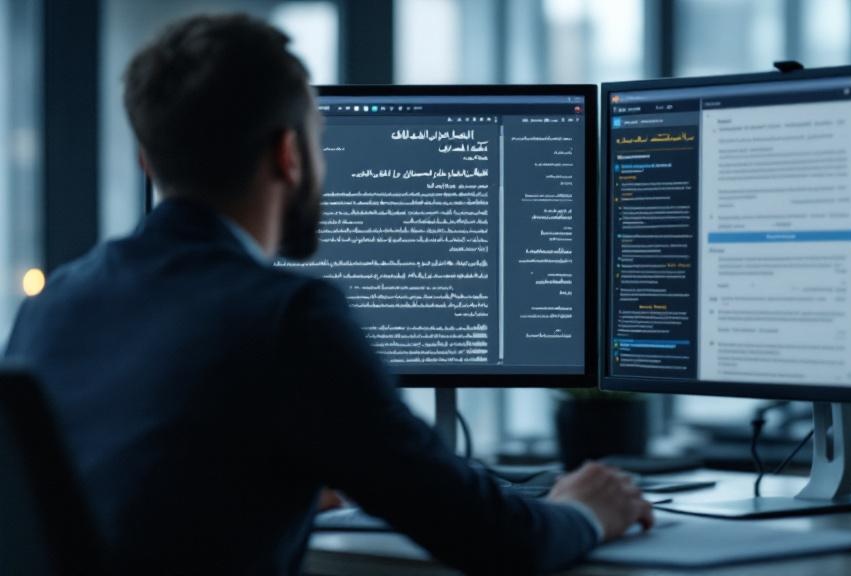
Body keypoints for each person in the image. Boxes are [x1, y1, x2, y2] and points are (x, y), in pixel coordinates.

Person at [4, 13, 652, 575]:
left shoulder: (51, 304)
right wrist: (585, 511)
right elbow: (496, 540)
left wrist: (279, 476)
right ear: (288, 154)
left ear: (147, 160)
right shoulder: (287, 319)